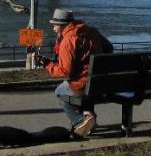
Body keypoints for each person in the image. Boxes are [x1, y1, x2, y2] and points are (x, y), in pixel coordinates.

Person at [35, 8, 113, 138]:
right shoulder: (91, 31)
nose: (52, 27)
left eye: (54, 24)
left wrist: (47, 64)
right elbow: (109, 48)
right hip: (100, 82)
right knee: (86, 87)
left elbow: (65, 71)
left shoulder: (68, 41)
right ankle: (89, 115)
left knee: (60, 91)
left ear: (62, 25)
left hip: (83, 85)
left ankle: (80, 122)